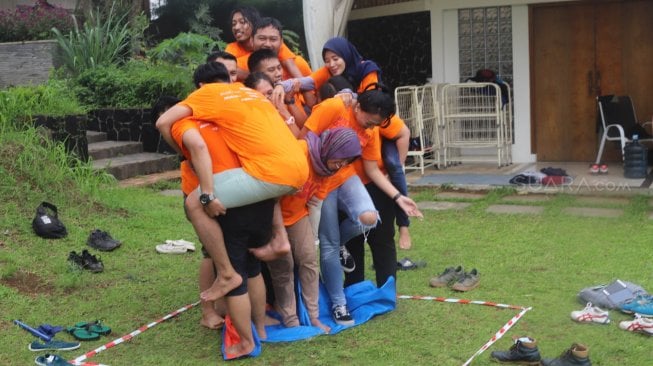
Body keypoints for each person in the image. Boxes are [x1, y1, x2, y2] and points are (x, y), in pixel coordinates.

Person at [156, 62, 309, 301]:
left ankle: (227, 274)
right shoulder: (247, 92)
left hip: (271, 172)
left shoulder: (206, 93)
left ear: (201, 86)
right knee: (267, 188)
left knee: (195, 203)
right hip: (297, 168)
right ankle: (279, 239)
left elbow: (163, 122)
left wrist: (184, 156)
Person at [298, 85, 422, 325]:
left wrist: (398, 197)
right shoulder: (335, 107)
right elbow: (303, 141)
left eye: (376, 124)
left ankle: (340, 243)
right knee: (329, 245)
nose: (371, 128)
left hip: (345, 178)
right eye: (369, 122)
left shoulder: (371, 129)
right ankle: (339, 304)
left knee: (370, 218)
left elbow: (372, 169)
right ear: (357, 106)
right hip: (320, 179)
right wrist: (307, 186)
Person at [268, 127, 361, 333]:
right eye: (340, 160)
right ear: (331, 148)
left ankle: (313, 316)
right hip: (271, 214)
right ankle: (290, 319)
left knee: (309, 259)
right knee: (284, 265)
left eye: (346, 163)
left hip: (298, 215)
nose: (340, 166)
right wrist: (279, 232)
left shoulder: (329, 170)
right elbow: (271, 195)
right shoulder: (300, 153)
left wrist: (313, 237)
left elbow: (315, 202)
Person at [225, 7, 304, 82]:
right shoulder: (232, 48)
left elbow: (291, 66)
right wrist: (260, 77)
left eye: (242, 22)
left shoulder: (276, 45)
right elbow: (225, 69)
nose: (236, 27)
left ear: (255, 24)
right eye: (233, 24)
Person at [247, 49, 307, 129]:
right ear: (257, 74)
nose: (278, 74)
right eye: (271, 70)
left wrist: (289, 101)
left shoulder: (286, 90)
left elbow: (305, 128)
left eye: (279, 68)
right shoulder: (255, 99)